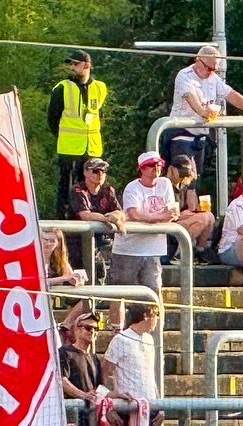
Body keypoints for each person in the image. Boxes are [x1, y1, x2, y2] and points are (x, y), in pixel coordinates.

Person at [164, 45, 243, 179]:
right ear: (198, 60)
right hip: (181, 135)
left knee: (194, 182)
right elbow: (190, 97)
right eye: (209, 68)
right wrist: (202, 112)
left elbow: (232, 95)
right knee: (179, 180)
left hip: (200, 136)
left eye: (214, 69)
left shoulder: (214, 78)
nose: (211, 72)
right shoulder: (185, 75)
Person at [101, 303, 163, 426]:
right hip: (129, 408)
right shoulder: (121, 340)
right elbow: (105, 371)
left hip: (149, 407)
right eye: (155, 315)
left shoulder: (150, 341)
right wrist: (110, 403)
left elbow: (150, 375)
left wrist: (160, 404)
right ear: (146, 315)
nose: (157, 320)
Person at [110, 150, 177, 301]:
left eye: (159, 164)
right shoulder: (132, 188)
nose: (156, 168)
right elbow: (134, 215)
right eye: (151, 165)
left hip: (153, 250)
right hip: (129, 250)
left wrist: (156, 218)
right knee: (118, 296)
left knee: (155, 293)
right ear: (141, 168)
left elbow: (173, 212)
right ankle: (116, 325)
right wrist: (160, 217)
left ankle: (156, 324)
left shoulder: (165, 184)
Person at [48, 50, 107, 218]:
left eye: (75, 64)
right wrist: (63, 137)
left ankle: (89, 219)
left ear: (87, 65)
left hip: (92, 147)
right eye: (70, 64)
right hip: (69, 146)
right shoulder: (62, 88)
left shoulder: (100, 88)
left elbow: (98, 114)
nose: (71, 67)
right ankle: (65, 222)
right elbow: (53, 118)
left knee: (93, 187)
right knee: (67, 188)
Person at [65, 157, 124, 277]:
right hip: (77, 241)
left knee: (104, 271)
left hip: (101, 238)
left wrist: (116, 216)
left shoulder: (108, 190)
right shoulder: (78, 190)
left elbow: (120, 212)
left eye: (103, 171)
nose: (100, 174)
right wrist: (108, 218)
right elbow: (85, 215)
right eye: (96, 171)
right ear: (85, 172)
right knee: (81, 272)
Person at [166, 155, 217, 259]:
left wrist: (192, 184)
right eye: (182, 170)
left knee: (209, 216)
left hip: (180, 220)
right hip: (169, 222)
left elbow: (192, 207)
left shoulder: (184, 186)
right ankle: (181, 250)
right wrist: (186, 214)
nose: (183, 173)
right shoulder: (166, 184)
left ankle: (200, 249)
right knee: (202, 219)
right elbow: (171, 212)